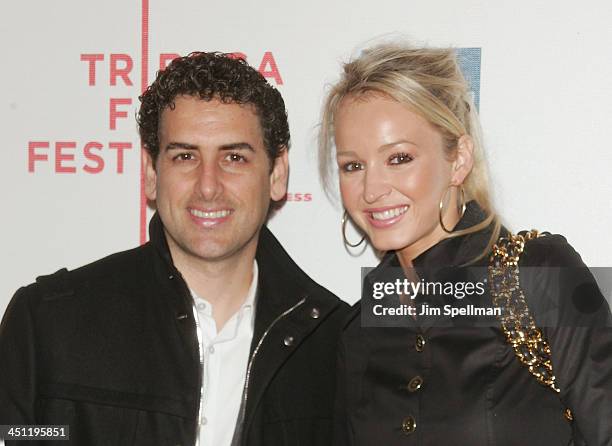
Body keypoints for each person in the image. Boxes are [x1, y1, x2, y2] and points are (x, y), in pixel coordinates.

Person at [0, 52, 349, 446]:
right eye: (185, 156)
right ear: (151, 173)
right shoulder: (49, 324)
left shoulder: (334, 346)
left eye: (234, 157)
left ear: (277, 174)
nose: (208, 185)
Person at [318, 43, 612, 445]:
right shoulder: (358, 330)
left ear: (457, 160)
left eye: (399, 158)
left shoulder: (539, 274)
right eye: (353, 166)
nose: (371, 189)